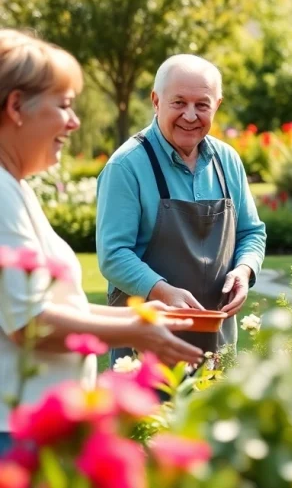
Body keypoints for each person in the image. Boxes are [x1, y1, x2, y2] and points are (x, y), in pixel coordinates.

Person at [0, 30, 202, 455]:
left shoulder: (15, 186)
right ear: (16, 106)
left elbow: (47, 305)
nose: (74, 123)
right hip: (15, 433)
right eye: (64, 106)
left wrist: (144, 315)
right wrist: (136, 331)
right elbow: (30, 324)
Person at [97, 54, 267, 362]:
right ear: (156, 100)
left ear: (217, 105)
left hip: (218, 343)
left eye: (202, 105)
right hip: (146, 344)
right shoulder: (126, 166)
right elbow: (113, 254)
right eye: (179, 103)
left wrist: (245, 270)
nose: (190, 116)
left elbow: (251, 232)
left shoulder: (228, 161)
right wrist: (163, 291)